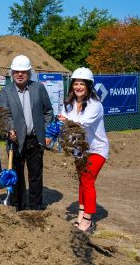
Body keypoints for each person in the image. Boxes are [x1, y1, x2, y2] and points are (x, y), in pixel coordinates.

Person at [0, 55, 53, 211]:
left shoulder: (38, 88)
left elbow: (48, 111)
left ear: (29, 73)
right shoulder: (5, 92)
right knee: (17, 174)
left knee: (35, 175)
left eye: (23, 71)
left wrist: (47, 132)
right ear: (12, 73)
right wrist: (9, 128)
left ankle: (36, 207)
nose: (20, 74)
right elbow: (5, 115)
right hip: (15, 141)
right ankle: (19, 206)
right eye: (16, 71)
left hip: (35, 139)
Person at [58, 67, 109, 232]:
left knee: (87, 179)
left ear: (88, 86)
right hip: (79, 149)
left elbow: (81, 123)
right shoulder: (70, 104)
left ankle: (88, 219)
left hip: (97, 150)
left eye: (82, 84)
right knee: (82, 181)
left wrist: (64, 120)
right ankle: (81, 213)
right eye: (75, 84)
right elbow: (62, 120)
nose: (78, 87)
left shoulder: (95, 105)